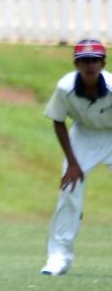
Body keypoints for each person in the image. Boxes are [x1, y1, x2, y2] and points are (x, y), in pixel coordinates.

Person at [40, 39, 112, 276]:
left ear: (103, 63)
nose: (89, 66)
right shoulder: (65, 87)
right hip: (84, 134)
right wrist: (72, 162)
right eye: (84, 61)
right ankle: (59, 258)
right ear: (76, 64)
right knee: (69, 190)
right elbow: (58, 120)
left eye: (94, 60)